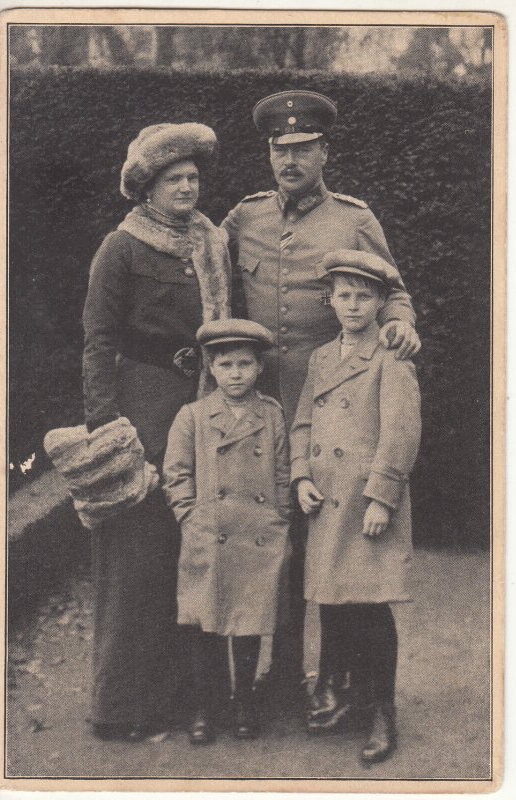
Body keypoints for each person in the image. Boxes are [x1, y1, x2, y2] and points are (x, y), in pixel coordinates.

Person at [220, 89, 421, 714]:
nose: (290, 159)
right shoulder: (243, 218)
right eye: (281, 149)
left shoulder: (354, 218)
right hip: (258, 408)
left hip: (334, 403)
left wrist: (402, 324)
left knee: (333, 547)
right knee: (267, 541)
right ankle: (274, 684)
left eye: (303, 149)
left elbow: (393, 291)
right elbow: (214, 294)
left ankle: (337, 681)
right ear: (269, 153)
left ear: (324, 151)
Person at [81, 123, 231, 741]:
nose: (187, 188)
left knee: (192, 549)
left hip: (201, 405)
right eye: (175, 179)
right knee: (137, 556)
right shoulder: (121, 248)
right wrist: (106, 427)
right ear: (146, 187)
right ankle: (120, 707)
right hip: (143, 408)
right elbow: (98, 340)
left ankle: (192, 701)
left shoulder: (211, 241)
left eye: (194, 177)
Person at [290, 248, 421, 763]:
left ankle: (382, 713)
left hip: (365, 502)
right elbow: (303, 422)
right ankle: (345, 696)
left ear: (381, 302)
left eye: (364, 296)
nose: (352, 305)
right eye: (343, 295)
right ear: (329, 300)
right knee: (333, 604)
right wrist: (300, 476)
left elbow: (402, 431)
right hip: (325, 501)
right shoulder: (321, 357)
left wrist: (382, 498)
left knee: (370, 607)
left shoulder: (391, 355)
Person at [163, 319, 291, 744]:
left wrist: (279, 517)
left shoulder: (271, 415)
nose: (235, 373)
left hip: (258, 531)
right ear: (211, 369)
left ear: (258, 368)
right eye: (226, 364)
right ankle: (206, 707)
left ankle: (245, 702)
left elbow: (281, 472)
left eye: (244, 364)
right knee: (206, 622)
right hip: (210, 532)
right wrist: (189, 515)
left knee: (249, 621)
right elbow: (177, 473)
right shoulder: (193, 416)